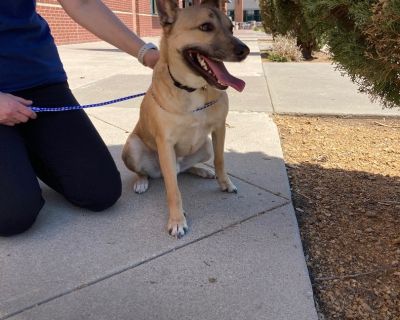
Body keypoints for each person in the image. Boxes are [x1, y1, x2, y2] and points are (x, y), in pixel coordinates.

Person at [0, 0, 160, 236]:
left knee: (100, 191)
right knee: (14, 216)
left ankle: (21, 154)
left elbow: (82, 3)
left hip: (37, 74)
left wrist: (148, 55)